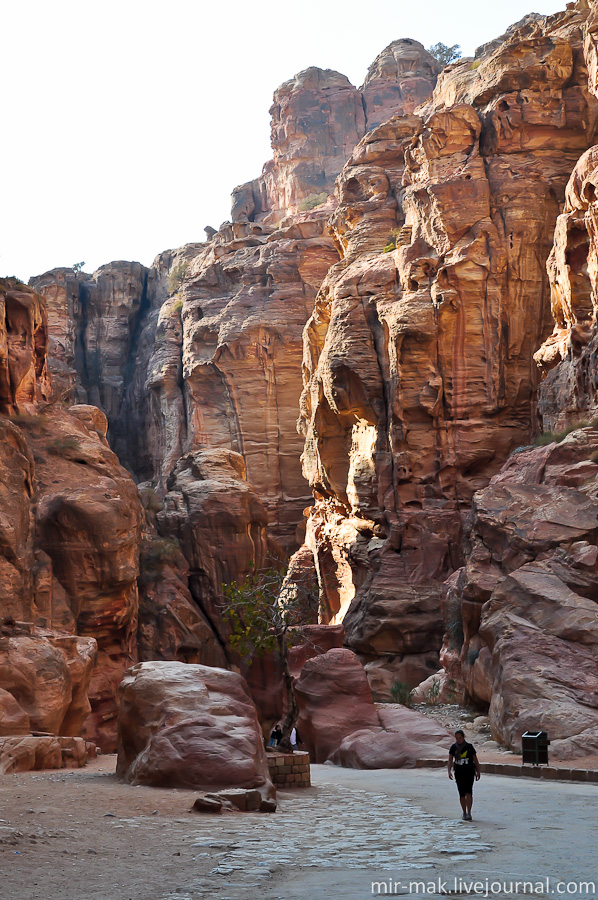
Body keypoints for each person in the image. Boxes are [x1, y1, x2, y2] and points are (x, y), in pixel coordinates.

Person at [448, 729, 480, 820]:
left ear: (463, 737)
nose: (459, 740)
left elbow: (475, 759)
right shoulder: (453, 747)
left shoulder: (469, 747)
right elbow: (450, 759)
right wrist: (449, 771)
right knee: (461, 793)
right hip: (459, 772)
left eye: (460, 738)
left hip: (469, 772)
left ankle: (469, 812)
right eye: (457, 738)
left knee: (468, 792)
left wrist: (478, 771)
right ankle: (464, 812)